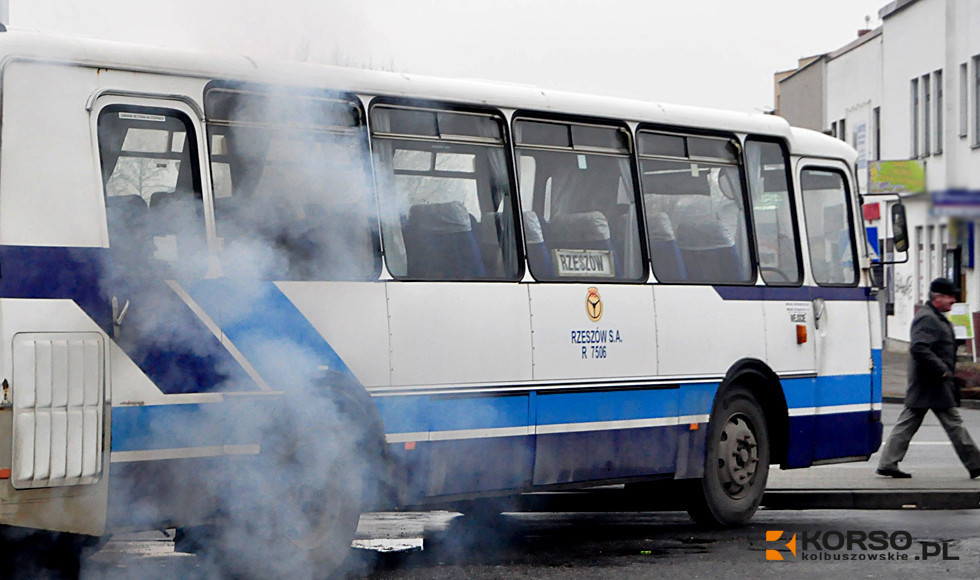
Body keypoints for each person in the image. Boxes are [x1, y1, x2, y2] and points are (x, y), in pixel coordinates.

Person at [877, 277, 980, 479]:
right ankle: (976, 463)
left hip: (930, 382)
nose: (953, 301)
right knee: (953, 424)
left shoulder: (935, 316)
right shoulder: (928, 318)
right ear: (938, 297)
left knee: (908, 423)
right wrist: (941, 370)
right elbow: (919, 347)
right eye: (950, 297)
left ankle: (887, 462)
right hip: (931, 382)